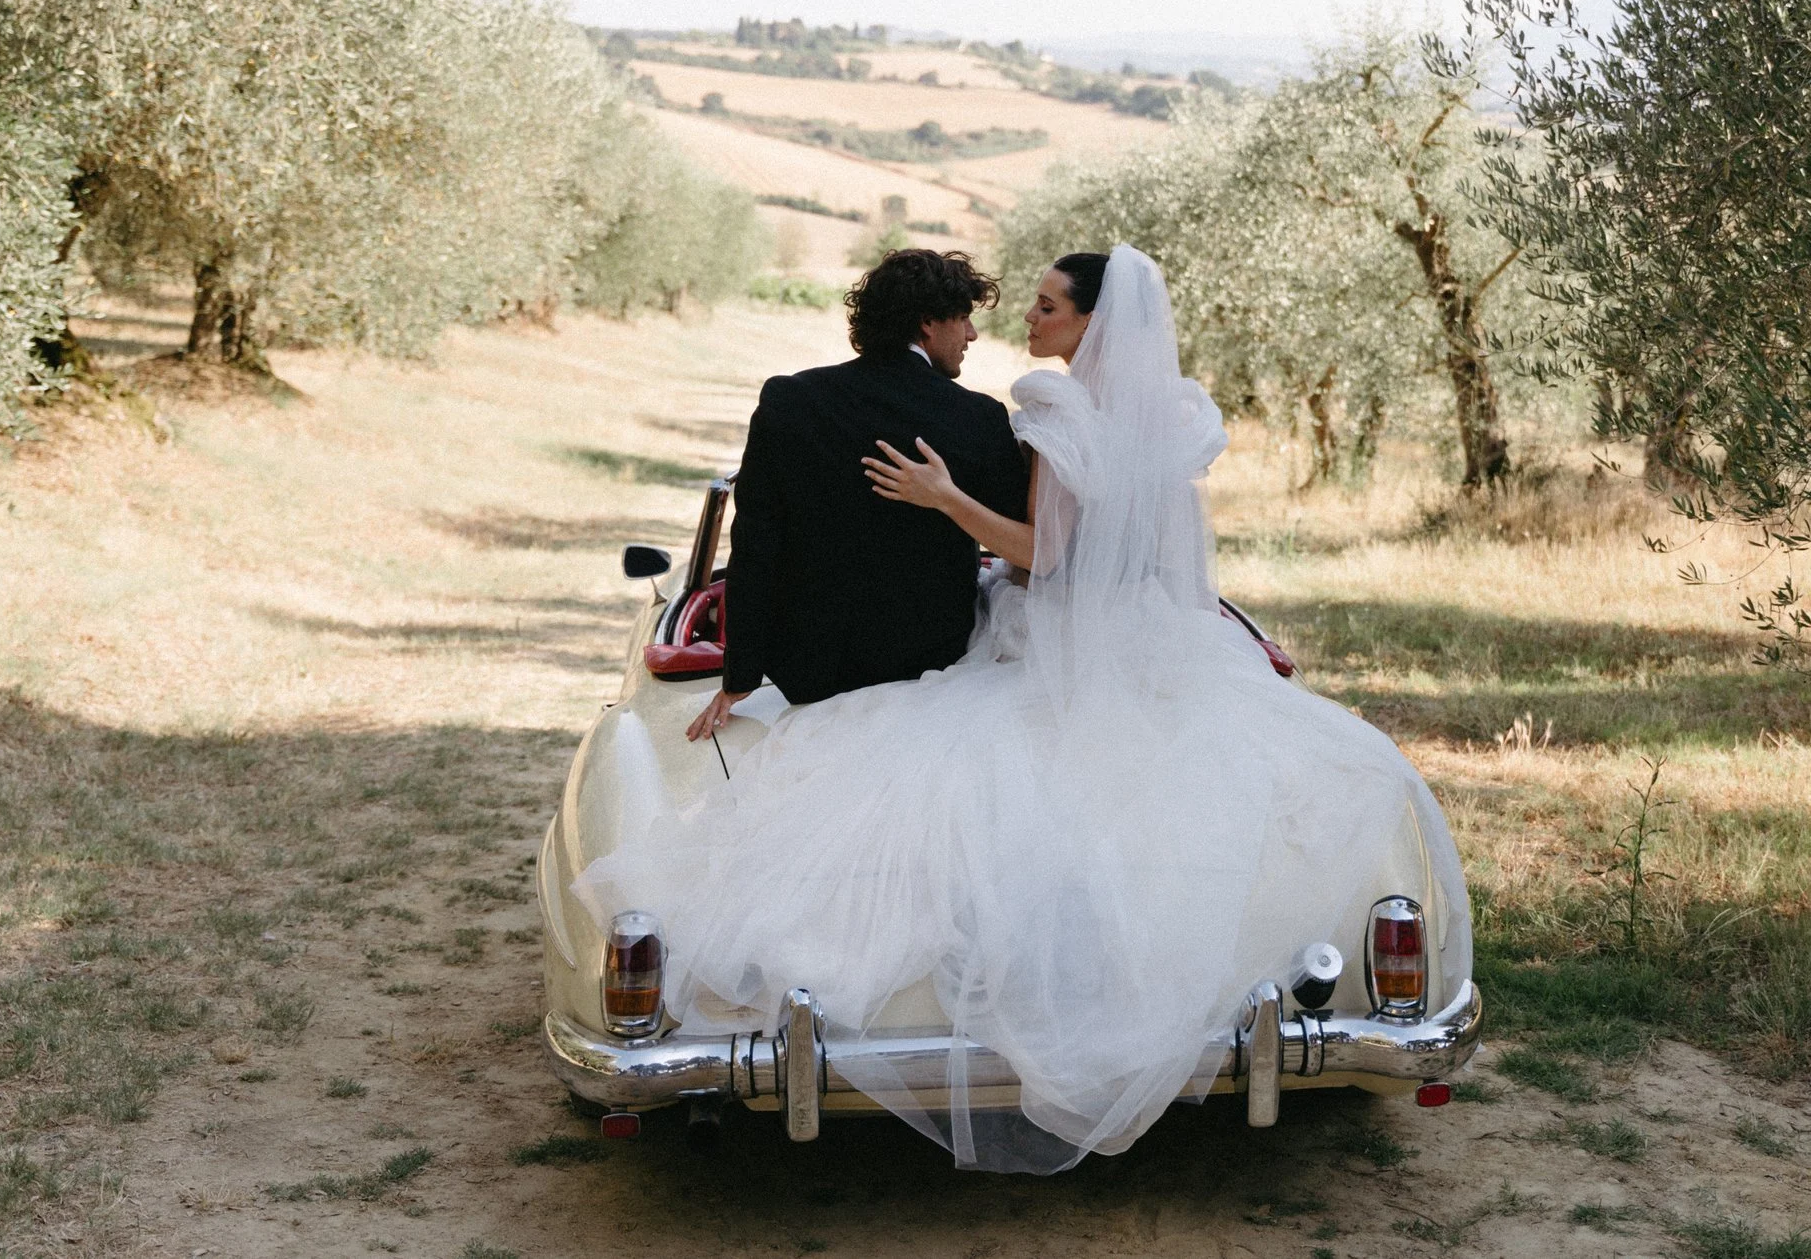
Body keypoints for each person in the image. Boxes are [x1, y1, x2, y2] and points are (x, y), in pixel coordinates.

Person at [578, 245, 1469, 1173]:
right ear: (932, 324)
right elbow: (1106, 545)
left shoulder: (946, 406)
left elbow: (1025, 552)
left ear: (1091, 322)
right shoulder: (1131, 416)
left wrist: (757, 657)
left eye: (1043, 304)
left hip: (966, 646)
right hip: (1141, 641)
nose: (1004, 325)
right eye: (982, 313)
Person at [683, 248, 1027, 729]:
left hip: (813, 673)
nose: (971, 334)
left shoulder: (790, 400)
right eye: (964, 318)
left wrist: (739, 676)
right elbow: (1024, 540)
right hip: (933, 668)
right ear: (928, 323)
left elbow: (758, 545)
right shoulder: (978, 417)